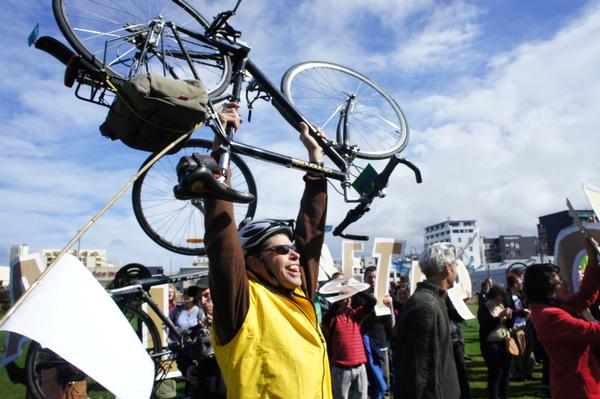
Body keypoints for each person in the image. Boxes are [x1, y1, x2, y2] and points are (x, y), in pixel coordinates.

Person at [200, 103, 332, 398]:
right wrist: (220, 145)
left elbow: (311, 230)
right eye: (282, 250)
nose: (295, 254)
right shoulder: (242, 303)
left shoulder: (300, 296)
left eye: (292, 248)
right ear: (253, 262)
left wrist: (315, 159)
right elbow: (222, 243)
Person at [523, 236, 600, 399]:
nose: (566, 283)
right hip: (578, 390)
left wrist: (593, 259)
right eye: (560, 282)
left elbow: (584, 296)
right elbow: (593, 332)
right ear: (547, 291)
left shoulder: (550, 308)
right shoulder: (549, 316)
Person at [395, 243, 460, 399]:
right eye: (456, 265)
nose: (457, 270)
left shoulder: (433, 300)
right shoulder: (426, 307)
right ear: (446, 268)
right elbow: (420, 375)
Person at [322, 278, 376, 399]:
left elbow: (372, 301)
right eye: (346, 297)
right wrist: (339, 299)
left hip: (360, 367)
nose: (349, 299)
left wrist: (354, 289)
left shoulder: (355, 315)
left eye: (350, 297)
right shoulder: (333, 318)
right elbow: (327, 318)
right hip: (341, 369)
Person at [187, 277, 227, 398]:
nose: (203, 302)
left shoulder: (236, 327)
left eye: (207, 295)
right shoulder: (197, 330)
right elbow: (183, 354)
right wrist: (188, 369)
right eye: (199, 298)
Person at [360, 266, 394, 399]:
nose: (373, 280)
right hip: (365, 344)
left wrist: (389, 306)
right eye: (370, 277)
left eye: (375, 277)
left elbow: (392, 324)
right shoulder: (360, 297)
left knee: (383, 380)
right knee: (368, 381)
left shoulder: (386, 297)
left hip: (382, 344)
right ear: (365, 279)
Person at [478, 284, 513, 399]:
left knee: (505, 374)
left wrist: (509, 317)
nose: (501, 300)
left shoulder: (501, 306)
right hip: (491, 345)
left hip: (505, 343)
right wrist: (499, 317)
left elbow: (508, 325)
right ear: (492, 296)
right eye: (499, 298)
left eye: (502, 298)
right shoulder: (484, 308)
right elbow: (486, 326)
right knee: (495, 374)